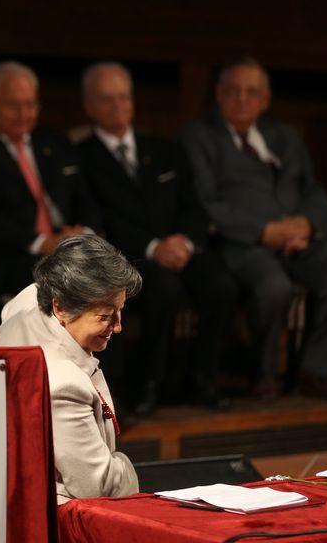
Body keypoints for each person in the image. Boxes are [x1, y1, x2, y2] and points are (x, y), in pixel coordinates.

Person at [179, 57, 327, 399]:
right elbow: (204, 202)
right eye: (233, 91)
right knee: (274, 287)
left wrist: (307, 224)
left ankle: (314, 369)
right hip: (241, 242)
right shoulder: (198, 136)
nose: (242, 100)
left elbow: (313, 190)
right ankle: (264, 374)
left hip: (295, 238)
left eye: (251, 92)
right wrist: (263, 231)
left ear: (265, 100)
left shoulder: (283, 137)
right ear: (219, 95)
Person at [77, 62, 237, 413]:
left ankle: (203, 380)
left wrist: (186, 243)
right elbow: (101, 220)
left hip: (180, 248)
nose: (118, 105)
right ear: (89, 105)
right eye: (107, 99)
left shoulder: (165, 149)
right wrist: (152, 248)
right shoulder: (82, 157)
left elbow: (194, 206)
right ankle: (149, 385)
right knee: (162, 288)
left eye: (124, 97)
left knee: (221, 284)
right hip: (127, 256)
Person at [0, 235, 140, 503]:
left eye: (120, 310)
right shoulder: (62, 385)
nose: (118, 327)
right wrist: (123, 464)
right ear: (60, 307)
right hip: (48, 515)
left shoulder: (31, 299)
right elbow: (100, 487)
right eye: (105, 316)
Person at [0, 61, 96, 303]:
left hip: (68, 248)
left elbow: (86, 197)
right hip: (10, 253)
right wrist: (39, 241)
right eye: (13, 106)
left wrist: (83, 233)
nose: (24, 114)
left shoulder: (54, 140)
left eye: (30, 105)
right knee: (66, 284)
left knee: (114, 279)